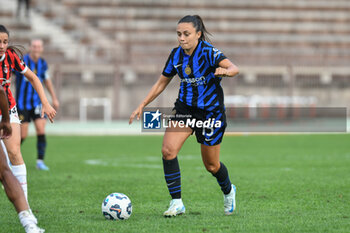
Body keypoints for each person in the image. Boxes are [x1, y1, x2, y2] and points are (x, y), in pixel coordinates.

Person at [129, 15, 239, 217]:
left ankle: (229, 190)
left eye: (186, 34)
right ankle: (177, 202)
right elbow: (162, 82)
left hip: (210, 113)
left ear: (198, 34)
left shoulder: (208, 52)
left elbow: (234, 68)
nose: (181, 38)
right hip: (185, 110)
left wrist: (225, 72)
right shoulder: (175, 55)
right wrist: (142, 105)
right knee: (168, 151)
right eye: (179, 34)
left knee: (212, 165)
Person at [0, 24, 56, 201]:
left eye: (5, 42)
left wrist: (46, 102)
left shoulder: (11, 57)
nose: (2, 45)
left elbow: (34, 78)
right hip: (22, 103)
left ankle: (24, 204)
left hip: (9, 108)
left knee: (16, 151)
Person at [0, 85, 45, 233]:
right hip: (18, 107)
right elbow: (1, 90)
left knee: (9, 163)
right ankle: (29, 224)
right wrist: (6, 121)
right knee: (5, 172)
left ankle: (29, 222)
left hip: (16, 108)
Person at [15, 39, 60, 171]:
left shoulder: (43, 63)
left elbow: (47, 81)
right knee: (22, 135)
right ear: (30, 47)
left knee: (41, 130)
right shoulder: (21, 61)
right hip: (22, 104)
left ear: (42, 49)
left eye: (39, 46)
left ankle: (40, 161)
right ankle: (10, 157)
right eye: (34, 46)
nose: (36, 48)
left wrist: (54, 98)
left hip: (38, 104)